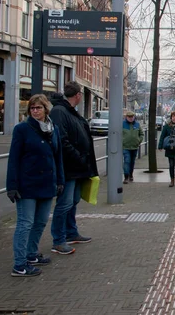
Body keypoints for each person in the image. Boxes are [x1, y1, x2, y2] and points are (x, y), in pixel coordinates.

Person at [6, 94, 65, 277]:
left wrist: (60, 180)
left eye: (38, 108)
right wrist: (12, 185)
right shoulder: (22, 129)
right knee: (25, 223)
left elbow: (57, 157)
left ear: (46, 109)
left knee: (40, 222)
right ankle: (19, 264)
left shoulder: (52, 129)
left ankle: (31, 255)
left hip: (47, 184)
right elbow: (13, 159)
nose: (35, 111)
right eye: (32, 108)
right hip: (27, 184)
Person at [49, 81, 98, 255]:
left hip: (78, 168)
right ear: (78, 95)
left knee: (74, 200)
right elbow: (62, 140)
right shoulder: (60, 112)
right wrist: (78, 157)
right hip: (69, 168)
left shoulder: (68, 112)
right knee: (64, 203)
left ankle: (71, 232)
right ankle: (59, 240)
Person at [122, 111, 144, 183]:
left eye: (132, 117)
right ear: (126, 117)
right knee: (127, 161)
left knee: (132, 162)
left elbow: (141, 134)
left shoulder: (137, 124)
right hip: (126, 146)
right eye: (129, 117)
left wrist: (139, 141)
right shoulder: (123, 124)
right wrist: (122, 141)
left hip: (134, 146)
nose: (131, 118)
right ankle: (126, 176)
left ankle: (131, 174)